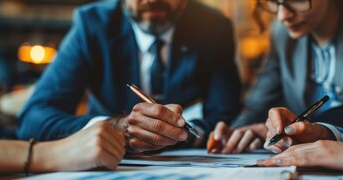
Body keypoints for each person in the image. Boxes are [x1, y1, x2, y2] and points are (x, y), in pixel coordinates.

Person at [17, 0, 242, 153]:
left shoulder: (213, 27)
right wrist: (114, 128)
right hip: (107, 165)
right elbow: (33, 118)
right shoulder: (92, 24)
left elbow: (226, 114)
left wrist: (186, 135)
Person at [208, 0, 343, 154]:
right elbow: (256, 105)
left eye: (296, 0)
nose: (282, 16)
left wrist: (323, 132)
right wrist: (237, 133)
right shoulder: (281, 34)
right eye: (273, 2)